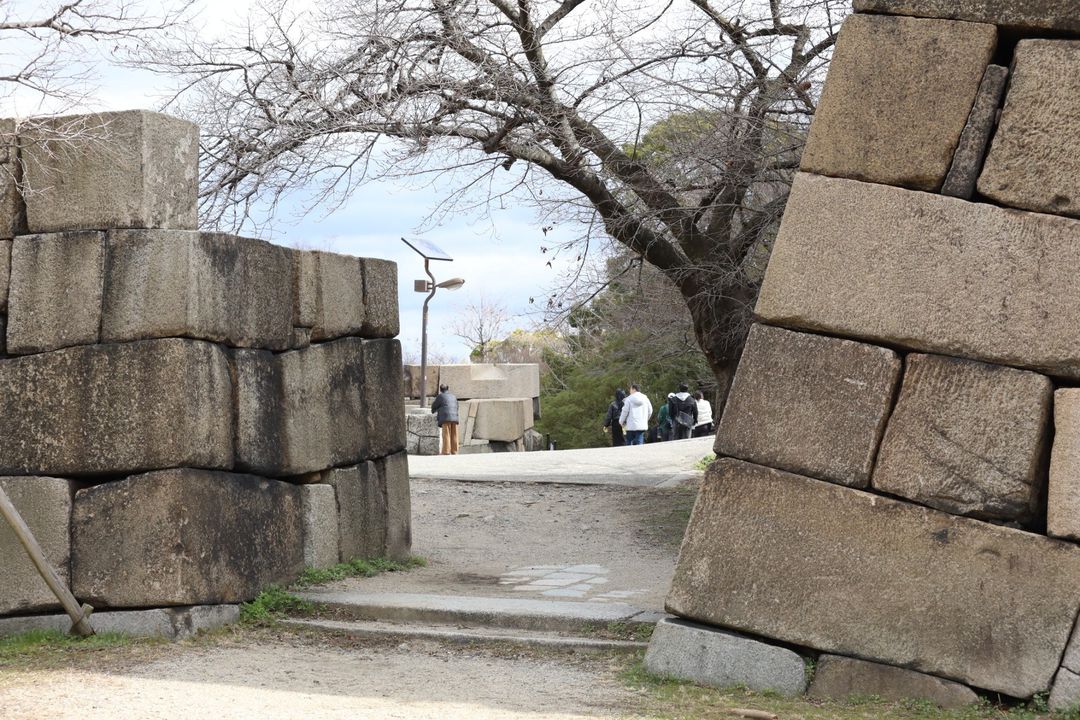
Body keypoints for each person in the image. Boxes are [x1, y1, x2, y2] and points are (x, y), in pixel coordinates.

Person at [430, 384, 460, 455]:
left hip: (445, 417)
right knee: (454, 434)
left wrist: (433, 410)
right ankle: (455, 451)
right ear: (448, 389)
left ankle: (446, 451)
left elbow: (434, 405)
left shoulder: (440, 396)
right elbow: (457, 406)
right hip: (455, 417)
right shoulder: (453, 396)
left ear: (440, 389)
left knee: (446, 434)